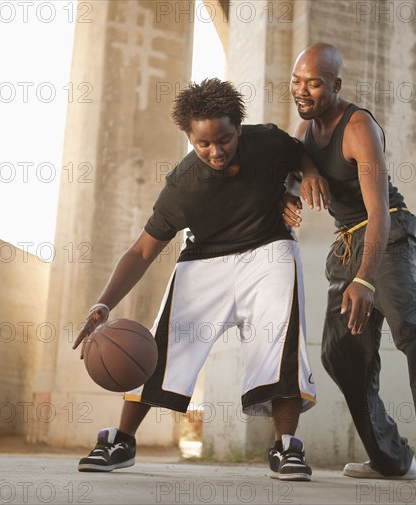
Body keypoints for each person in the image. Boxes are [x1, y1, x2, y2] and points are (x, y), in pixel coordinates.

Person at [72, 78, 328, 481]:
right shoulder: (182, 185)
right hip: (205, 260)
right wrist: (103, 304)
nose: (215, 151)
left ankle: (285, 447)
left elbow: (300, 153)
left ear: (238, 128)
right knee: (160, 345)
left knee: (280, 339)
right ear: (190, 138)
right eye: (202, 144)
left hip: (268, 249)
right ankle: (122, 440)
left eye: (223, 139)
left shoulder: (268, 142)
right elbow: (142, 251)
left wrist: (302, 181)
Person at [282, 44, 416, 490]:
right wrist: (299, 179)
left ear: (336, 85)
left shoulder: (358, 128)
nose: (303, 90)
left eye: (314, 82)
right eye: (297, 80)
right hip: (345, 244)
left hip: (386, 234)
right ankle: (391, 457)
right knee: (339, 354)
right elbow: (293, 161)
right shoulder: (306, 128)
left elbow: (379, 213)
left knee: (412, 330)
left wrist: (364, 278)